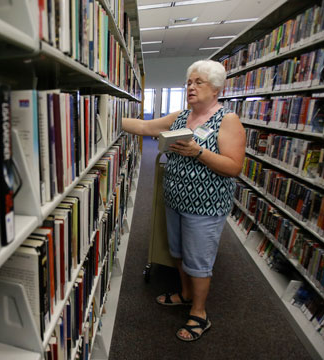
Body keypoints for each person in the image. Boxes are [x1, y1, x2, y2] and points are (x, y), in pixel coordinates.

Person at [121, 59, 245, 342]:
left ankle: (199, 313)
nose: (190, 86)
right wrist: (96, 113)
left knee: (198, 261)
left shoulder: (227, 120)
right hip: (175, 199)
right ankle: (186, 293)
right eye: (189, 82)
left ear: (215, 88)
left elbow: (234, 166)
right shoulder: (181, 116)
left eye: (198, 82)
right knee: (177, 251)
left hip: (205, 206)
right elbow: (143, 125)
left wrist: (197, 152)